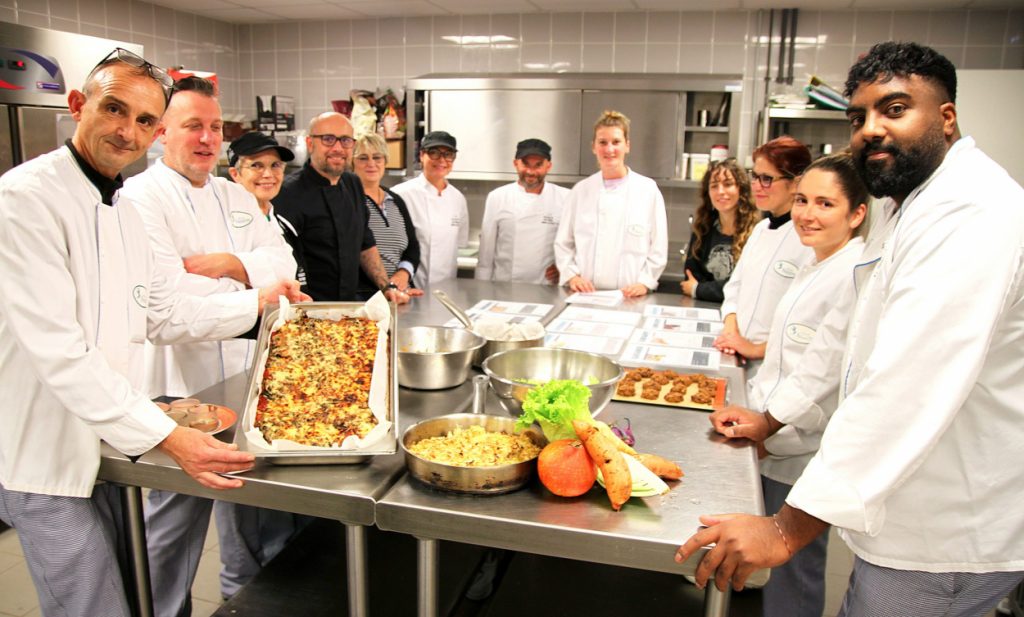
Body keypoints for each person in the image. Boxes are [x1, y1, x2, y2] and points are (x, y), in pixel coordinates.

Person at [675, 42, 1024, 616]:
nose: (871, 129)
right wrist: (772, 418)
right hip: (902, 506)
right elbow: (842, 336)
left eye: (894, 108)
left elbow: (908, 383)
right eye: (858, 116)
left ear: (946, 117)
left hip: (947, 529)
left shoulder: (971, 213)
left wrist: (785, 530)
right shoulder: (903, 203)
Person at [0, 49, 305, 617]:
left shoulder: (116, 206)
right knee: (94, 602)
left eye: (143, 119)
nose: (127, 130)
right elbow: (61, 352)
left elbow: (160, 313)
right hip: (43, 450)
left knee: (133, 584)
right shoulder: (25, 199)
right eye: (114, 109)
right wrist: (163, 432)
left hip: (107, 436)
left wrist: (258, 303)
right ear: (76, 106)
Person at [120, 77, 305, 617]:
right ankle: (162, 610)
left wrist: (229, 266)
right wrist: (255, 293)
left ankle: (241, 597)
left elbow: (284, 264)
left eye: (215, 127)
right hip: (181, 387)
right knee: (176, 518)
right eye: (192, 126)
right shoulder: (139, 201)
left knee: (245, 494)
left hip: (243, 372)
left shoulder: (233, 194)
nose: (206, 138)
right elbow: (168, 309)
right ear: (160, 133)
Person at [722, 153, 868, 617]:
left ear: (857, 213)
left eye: (825, 204)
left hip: (802, 444)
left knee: (797, 568)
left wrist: (768, 422)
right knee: (774, 561)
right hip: (778, 431)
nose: (806, 213)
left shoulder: (852, 273)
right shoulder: (816, 262)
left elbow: (820, 369)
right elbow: (787, 360)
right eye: (803, 199)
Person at [275, 112, 407, 303]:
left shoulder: (352, 183)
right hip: (307, 310)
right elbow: (283, 262)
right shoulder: (287, 193)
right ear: (310, 143)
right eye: (328, 139)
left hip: (348, 307)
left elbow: (365, 242)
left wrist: (386, 287)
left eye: (345, 140)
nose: (338, 148)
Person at [714, 136, 813, 364]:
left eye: (767, 179)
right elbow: (734, 287)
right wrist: (731, 332)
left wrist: (755, 349)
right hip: (738, 352)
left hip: (774, 362)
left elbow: (808, 323)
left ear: (796, 183)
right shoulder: (760, 229)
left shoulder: (807, 239)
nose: (756, 186)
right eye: (755, 176)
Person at [553, 110, 668, 297]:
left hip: (631, 296)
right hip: (586, 295)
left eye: (616, 142)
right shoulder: (580, 191)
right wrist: (572, 276)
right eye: (602, 142)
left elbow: (659, 246)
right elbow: (563, 242)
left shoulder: (647, 190)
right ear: (593, 147)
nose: (609, 149)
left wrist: (645, 282)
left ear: (627, 146)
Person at [475, 138, 569, 284]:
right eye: (525, 164)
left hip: (546, 287)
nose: (531, 172)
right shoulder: (497, 197)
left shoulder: (566, 198)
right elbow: (485, 255)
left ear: (548, 166)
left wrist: (564, 268)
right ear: (515, 163)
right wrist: (481, 289)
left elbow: (574, 244)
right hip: (504, 287)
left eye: (538, 165)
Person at [391, 130, 469, 289]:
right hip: (409, 289)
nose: (442, 160)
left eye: (448, 154)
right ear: (421, 155)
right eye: (434, 153)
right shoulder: (401, 195)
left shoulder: (458, 198)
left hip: (446, 291)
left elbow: (459, 243)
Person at [350, 133, 423, 297]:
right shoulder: (348, 201)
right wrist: (385, 287)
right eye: (363, 158)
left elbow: (412, 246)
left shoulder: (395, 200)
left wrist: (403, 274)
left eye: (377, 157)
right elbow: (354, 253)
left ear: (385, 161)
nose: (371, 164)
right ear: (352, 163)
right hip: (365, 295)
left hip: (402, 292)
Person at [680, 158, 759, 302]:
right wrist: (707, 289)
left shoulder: (756, 232)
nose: (720, 191)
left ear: (740, 189)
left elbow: (745, 287)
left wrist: (699, 289)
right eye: (714, 186)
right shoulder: (702, 230)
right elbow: (690, 278)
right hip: (704, 309)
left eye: (728, 184)